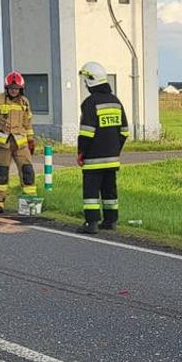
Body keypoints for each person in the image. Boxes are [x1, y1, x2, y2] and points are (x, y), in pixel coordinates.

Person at [75, 61, 129, 234]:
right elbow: (124, 131)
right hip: (112, 158)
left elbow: (87, 133)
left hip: (94, 158)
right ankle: (110, 221)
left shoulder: (90, 103)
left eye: (86, 81)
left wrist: (81, 152)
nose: (85, 84)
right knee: (109, 190)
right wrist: (115, 149)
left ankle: (91, 223)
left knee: (91, 192)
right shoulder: (115, 101)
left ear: (91, 81)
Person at [0, 71, 37, 213]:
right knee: (2, 173)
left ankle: (30, 203)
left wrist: (30, 139)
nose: (14, 91)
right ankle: (0, 202)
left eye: (16, 88)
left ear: (21, 89)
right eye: (11, 88)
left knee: (28, 172)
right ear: (6, 88)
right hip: (3, 145)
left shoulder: (25, 102)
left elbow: (28, 123)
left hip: (21, 145)